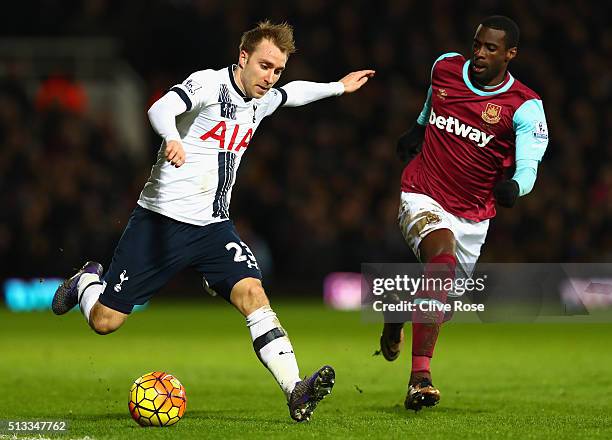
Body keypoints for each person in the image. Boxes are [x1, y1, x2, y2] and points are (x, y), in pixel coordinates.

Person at [52, 20, 374, 422]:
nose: (270, 77)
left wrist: (338, 87)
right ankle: (86, 280)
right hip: (160, 222)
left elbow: (294, 94)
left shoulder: (263, 99)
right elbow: (161, 107)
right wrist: (171, 136)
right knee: (104, 322)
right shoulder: (208, 84)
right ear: (243, 57)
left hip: (212, 228)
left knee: (253, 295)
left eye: (277, 70)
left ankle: (295, 388)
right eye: (264, 66)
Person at [379, 15, 548, 411]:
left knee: (441, 305)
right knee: (441, 260)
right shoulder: (445, 67)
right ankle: (420, 379)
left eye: (491, 48)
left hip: (472, 216)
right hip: (421, 193)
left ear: (511, 54)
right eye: (477, 44)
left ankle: (398, 309)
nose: (480, 54)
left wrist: (515, 187)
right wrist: (418, 128)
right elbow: (432, 102)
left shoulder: (524, 106)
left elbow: (529, 166)